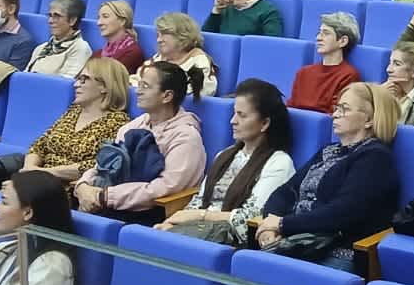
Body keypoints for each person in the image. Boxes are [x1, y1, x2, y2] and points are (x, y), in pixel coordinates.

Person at [255, 83, 402, 274]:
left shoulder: (375, 158)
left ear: (369, 120)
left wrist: (283, 224)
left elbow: (343, 212)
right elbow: (286, 191)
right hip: (297, 241)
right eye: (336, 108)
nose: (335, 114)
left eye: (345, 109)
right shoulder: (328, 150)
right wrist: (269, 226)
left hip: (335, 251)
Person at [161, 79, 296, 245]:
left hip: (231, 240)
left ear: (264, 123)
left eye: (242, 115)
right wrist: (172, 223)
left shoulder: (279, 163)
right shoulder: (225, 155)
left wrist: (200, 215)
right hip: (199, 231)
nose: (233, 120)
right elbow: (200, 200)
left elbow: (250, 217)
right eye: (234, 113)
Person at [73, 61, 206, 220]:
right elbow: (103, 166)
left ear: (167, 96)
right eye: (139, 85)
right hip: (107, 199)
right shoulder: (132, 126)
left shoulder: (186, 137)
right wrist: (83, 187)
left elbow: (166, 186)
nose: (137, 91)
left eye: (145, 86)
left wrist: (108, 196)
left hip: (149, 211)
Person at [15, 59, 133, 187]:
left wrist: (43, 172)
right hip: (38, 178)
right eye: (77, 79)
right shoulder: (74, 111)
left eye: (84, 79)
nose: (76, 84)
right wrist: (29, 168)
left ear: (105, 86)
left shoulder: (118, 122)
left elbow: (98, 166)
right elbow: (40, 145)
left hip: (69, 188)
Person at [288, 13, 363, 114]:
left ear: (343, 41)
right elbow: (290, 108)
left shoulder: (349, 75)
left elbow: (335, 114)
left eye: (326, 33)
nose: (318, 38)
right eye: (319, 32)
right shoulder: (303, 73)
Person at [152, 12, 219, 97]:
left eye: (164, 34)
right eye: (158, 35)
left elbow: (200, 93)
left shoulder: (199, 62)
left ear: (181, 36)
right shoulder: (159, 57)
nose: (159, 40)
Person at [26, 0, 92, 78]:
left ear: (72, 20)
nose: (50, 21)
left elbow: (64, 83)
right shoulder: (41, 48)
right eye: (49, 15)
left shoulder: (80, 48)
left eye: (57, 16)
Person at [91, 0, 145, 71]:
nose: (99, 23)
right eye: (98, 18)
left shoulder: (132, 53)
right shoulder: (98, 54)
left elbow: (105, 79)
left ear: (122, 21)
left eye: (105, 17)